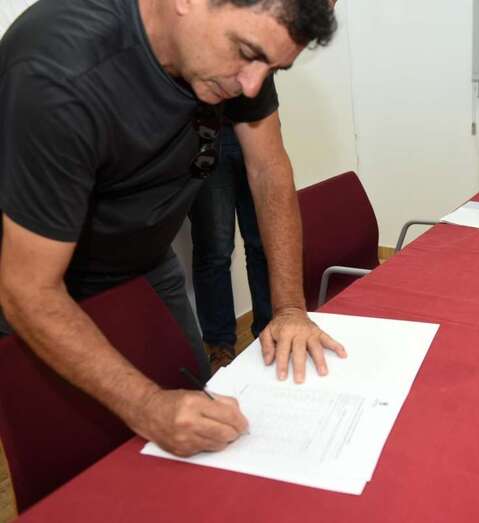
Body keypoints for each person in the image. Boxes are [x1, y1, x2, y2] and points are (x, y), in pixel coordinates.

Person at [0, 0, 346, 458]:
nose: (251, 85)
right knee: (73, 460)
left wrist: (289, 308)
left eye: (271, 68)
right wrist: (147, 406)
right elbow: (27, 289)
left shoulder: (247, 57)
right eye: (246, 53)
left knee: (201, 425)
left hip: (147, 262)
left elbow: (268, 170)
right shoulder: (58, 70)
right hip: (42, 285)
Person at [190, 122, 274, 373]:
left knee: (264, 244)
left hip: (255, 126)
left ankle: (271, 330)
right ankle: (220, 348)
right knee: (214, 250)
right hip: (202, 134)